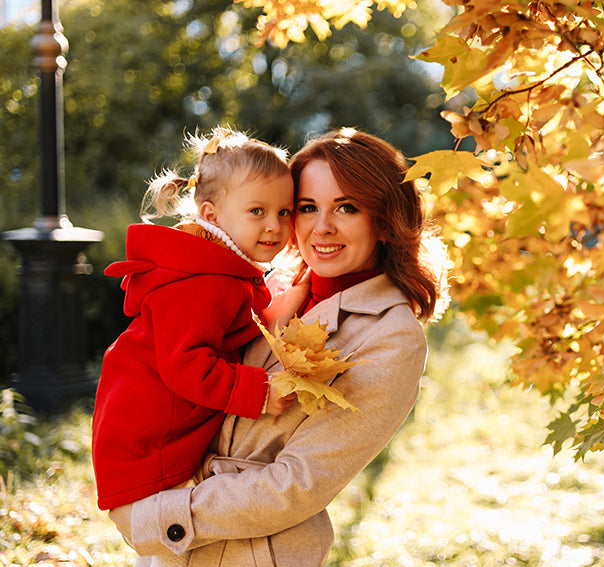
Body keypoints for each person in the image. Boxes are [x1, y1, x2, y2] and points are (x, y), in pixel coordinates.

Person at [108, 128, 449, 567]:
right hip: (173, 533)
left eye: (346, 207)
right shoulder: (271, 285)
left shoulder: (392, 336)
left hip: (245, 549)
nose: (321, 226)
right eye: (307, 208)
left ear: (384, 220)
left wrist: (161, 516)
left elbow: (300, 483)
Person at [92, 127, 299, 514]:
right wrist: (258, 392)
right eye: (258, 211)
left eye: (283, 212)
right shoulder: (204, 283)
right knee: (166, 540)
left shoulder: (218, 268)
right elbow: (185, 364)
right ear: (211, 215)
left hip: (152, 430)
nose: (274, 225)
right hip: (150, 442)